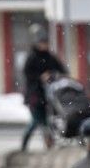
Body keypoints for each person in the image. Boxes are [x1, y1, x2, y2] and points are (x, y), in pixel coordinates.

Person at [20, 24, 67, 152]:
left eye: (46, 42)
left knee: (47, 121)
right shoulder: (31, 58)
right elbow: (27, 74)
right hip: (34, 96)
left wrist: (55, 75)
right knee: (37, 121)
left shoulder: (50, 57)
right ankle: (24, 145)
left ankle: (49, 145)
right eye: (42, 42)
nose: (44, 45)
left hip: (48, 95)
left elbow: (62, 70)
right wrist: (40, 77)